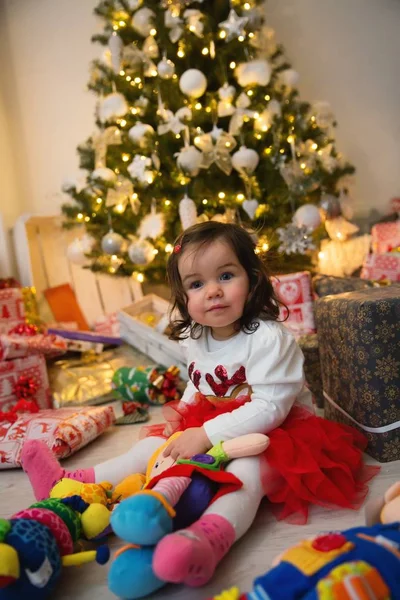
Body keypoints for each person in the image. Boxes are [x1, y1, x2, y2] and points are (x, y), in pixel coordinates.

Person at [21, 221, 378, 589]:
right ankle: (72, 485)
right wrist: (188, 420)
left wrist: (206, 433)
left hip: (274, 431)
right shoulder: (196, 334)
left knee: (246, 475)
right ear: (183, 296)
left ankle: (208, 539)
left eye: (226, 275)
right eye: (196, 284)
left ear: (252, 280)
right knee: (151, 449)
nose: (213, 292)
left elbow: (271, 407)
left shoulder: (268, 338)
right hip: (211, 420)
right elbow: (198, 378)